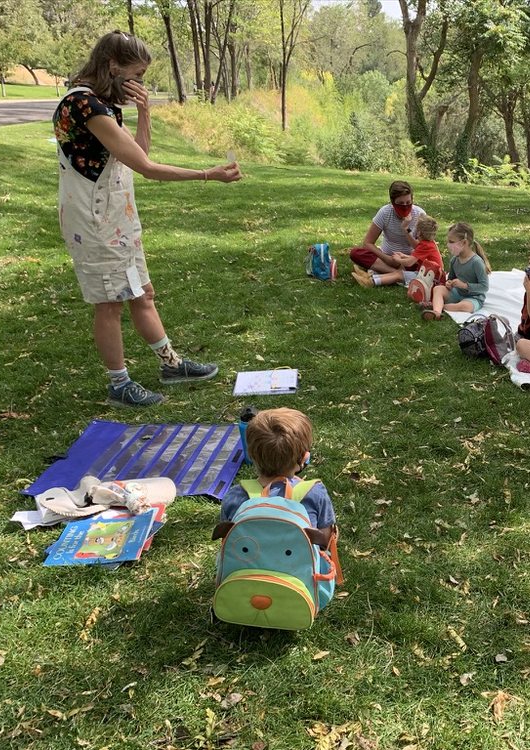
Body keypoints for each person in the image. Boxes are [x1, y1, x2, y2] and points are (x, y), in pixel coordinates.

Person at [53, 31, 242, 407]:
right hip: (94, 219)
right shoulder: (84, 106)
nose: (138, 84)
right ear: (112, 66)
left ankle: (170, 364)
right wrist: (208, 174)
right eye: (136, 75)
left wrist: (145, 112)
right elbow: (148, 167)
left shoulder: (104, 106)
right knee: (109, 302)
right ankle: (118, 384)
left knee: (141, 291)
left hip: (116, 214)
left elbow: (136, 153)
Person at [219, 408, 336, 548]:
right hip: (300, 569)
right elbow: (325, 542)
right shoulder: (314, 494)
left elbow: (227, 539)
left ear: (251, 455)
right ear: (305, 458)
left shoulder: (235, 496)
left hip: (248, 566)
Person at [350, 180, 426, 287]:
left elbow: (421, 248)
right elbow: (368, 243)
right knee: (356, 253)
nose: (405, 206)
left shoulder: (419, 214)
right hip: (386, 257)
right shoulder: (385, 213)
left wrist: (406, 229)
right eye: (400, 203)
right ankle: (397, 274)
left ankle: (385, 273)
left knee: (426, 265)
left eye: (408, 203)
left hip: (409, 260)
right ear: (392, 202)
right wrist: (387, 259)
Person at [421, 222, 491, 321]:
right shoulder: (454, 260)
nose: (448, 245)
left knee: (465, 306)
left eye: (451, 241)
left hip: (473, 298)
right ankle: (436, 312)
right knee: (438, 289)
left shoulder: (476, 262)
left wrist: (464, 285)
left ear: (464, 243)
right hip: (457, 293)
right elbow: (451, 278)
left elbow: (484, 287)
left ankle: (441, 307)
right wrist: (449, 283)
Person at [370, 215, 443, 287]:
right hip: (429, 274)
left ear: (419, 232)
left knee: (399, 275)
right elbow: (416, 258)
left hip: (430, 278)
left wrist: (398, 260)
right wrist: (403, 256)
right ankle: (371, 278)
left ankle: (371, 282)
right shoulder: (429, 243)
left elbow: (409, 263)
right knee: (399, 273)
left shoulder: (424, 245)